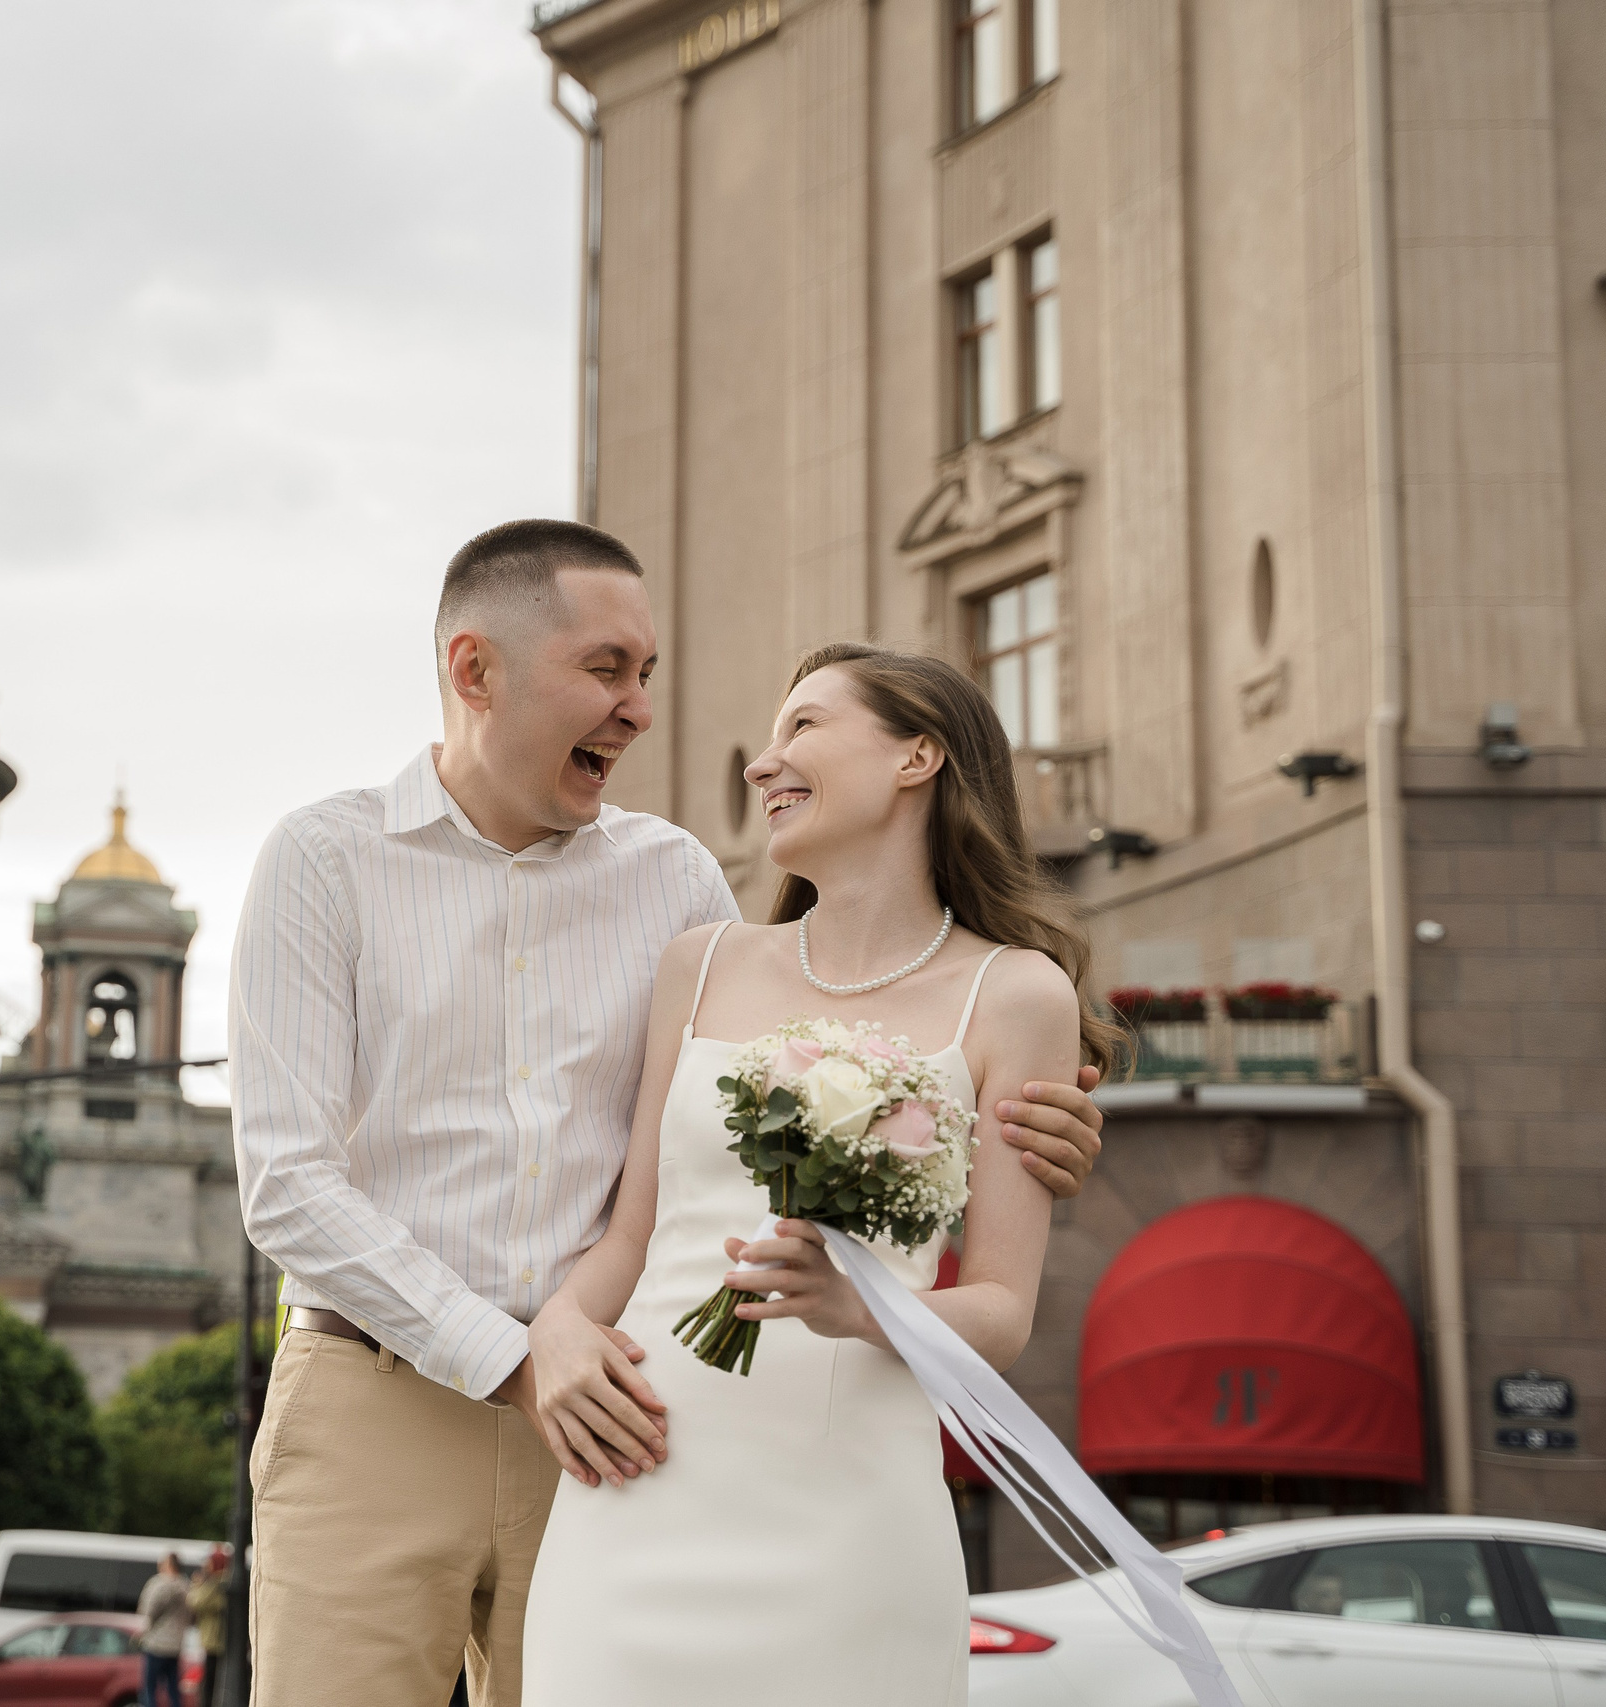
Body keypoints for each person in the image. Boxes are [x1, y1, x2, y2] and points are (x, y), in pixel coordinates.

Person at [232, 522, 1113, 1707]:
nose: (639, 709)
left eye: (647, 674)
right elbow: (285, 1182)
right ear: (475, 670)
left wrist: (999, 1120)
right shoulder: (322, 862)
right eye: (606, 670)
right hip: (382, 1400)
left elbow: (824, 1046)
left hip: (635, 1425)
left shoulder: (679, 887)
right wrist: (522, 1358)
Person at [517, 642, 1118, 1702]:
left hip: (850, 1523)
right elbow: (632, 1235)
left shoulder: (1016, 995)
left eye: (803, 726)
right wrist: (556, 1331)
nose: (763, 761)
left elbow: (1000, 1313)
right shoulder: (699, 964)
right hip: (638, 1489)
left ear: (915, 757)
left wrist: (857, 1304)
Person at [133, 1553, 188, 1707]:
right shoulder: (186, 1586)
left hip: (156, 1644)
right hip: (176, 1645)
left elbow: (147, 1610)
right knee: (173, 1690)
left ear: (167, 1565)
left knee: (149, 1689)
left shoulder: (158, 1584)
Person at [186, 1546, 229, 1707]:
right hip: (216, 1638)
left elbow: (195, 1601)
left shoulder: (216, 1582)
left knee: (210, 1682)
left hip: (214, 1640)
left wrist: (196, 1585)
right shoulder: (221, 1581)